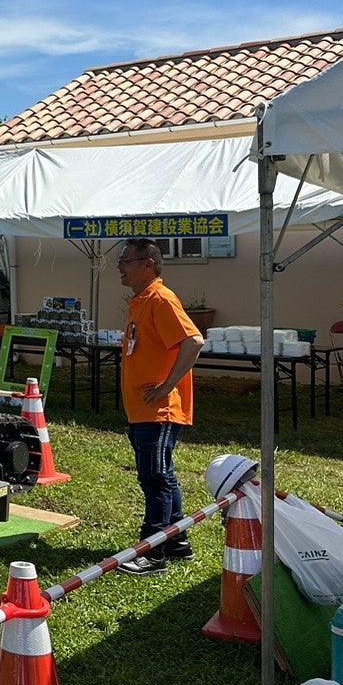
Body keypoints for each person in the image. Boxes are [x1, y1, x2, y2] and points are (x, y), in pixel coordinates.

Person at [116, 237, 203, 576]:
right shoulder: (141, 300)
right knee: (161, 473)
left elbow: (193, 341)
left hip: (160, 409)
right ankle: (177, 540)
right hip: (142, 409)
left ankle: (152, 551)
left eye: (126, 260)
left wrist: (168, 385)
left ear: (147, 264)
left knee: (154, 477)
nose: (120, 267)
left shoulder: (161, 299)